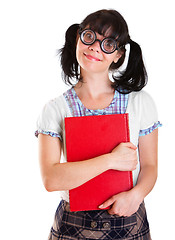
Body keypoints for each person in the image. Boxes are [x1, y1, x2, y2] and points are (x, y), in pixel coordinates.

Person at [35, 9, 162, 239]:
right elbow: (51, 179)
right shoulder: (55, 109)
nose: (95, 47)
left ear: (118, 55)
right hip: (73, 226)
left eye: (108, 43)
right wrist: (111, 160)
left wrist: (135, 196)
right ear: (78, 39)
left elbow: (150, 166)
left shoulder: (140, 102)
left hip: (129, 221)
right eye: (90, 37)